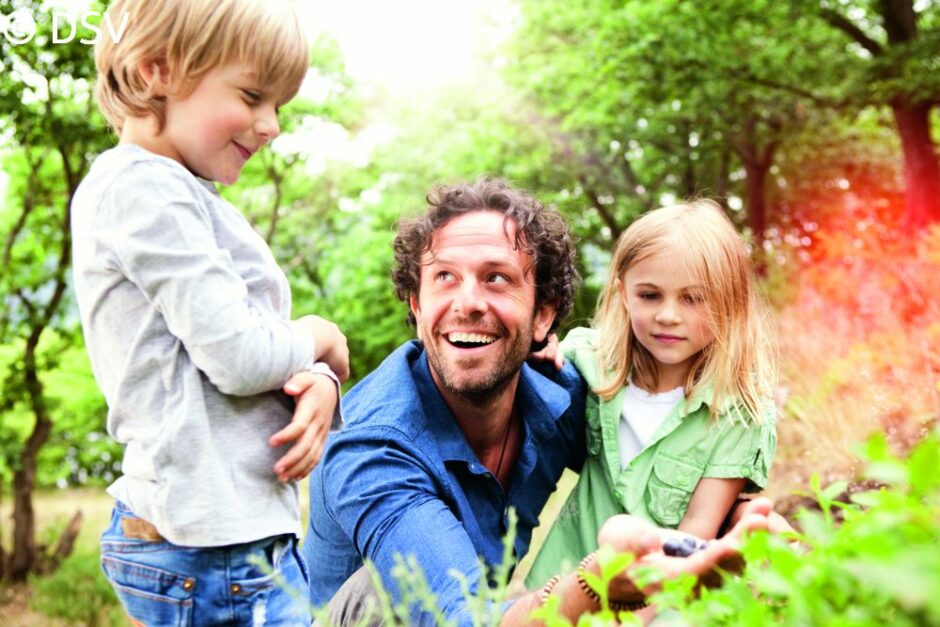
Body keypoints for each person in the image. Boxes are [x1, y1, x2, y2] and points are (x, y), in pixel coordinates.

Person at [302, 180, 777, 626]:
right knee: (387, 589)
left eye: (496, 279)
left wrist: (730, 516)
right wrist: (593, 585)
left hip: (494, 607)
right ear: (416, 306)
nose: (468, 302)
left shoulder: (566, 398)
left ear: (542, 316)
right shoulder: (374, 450)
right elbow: (459, 617)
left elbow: (649, 460)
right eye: (445, 277)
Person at [71, 1, 347, 623]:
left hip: (230, 543)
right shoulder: (145, 189)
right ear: (154, 72)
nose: (271, 124)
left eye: (279, 104)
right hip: (211, 551)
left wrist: (320, 381)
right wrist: (321, 337)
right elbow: (242, 357)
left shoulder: (183, 192)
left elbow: (247, 350)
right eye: (252, 95)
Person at [526, 199, 777, 587]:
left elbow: (696, 533)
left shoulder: (737, 416)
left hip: (653, 596)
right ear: (623, 293)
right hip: (559, 586)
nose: (668, 315)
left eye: (692, 298)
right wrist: (544, 352)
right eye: (650, 295)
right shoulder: (590, 361)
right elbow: (543, 363)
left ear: (729, 303)